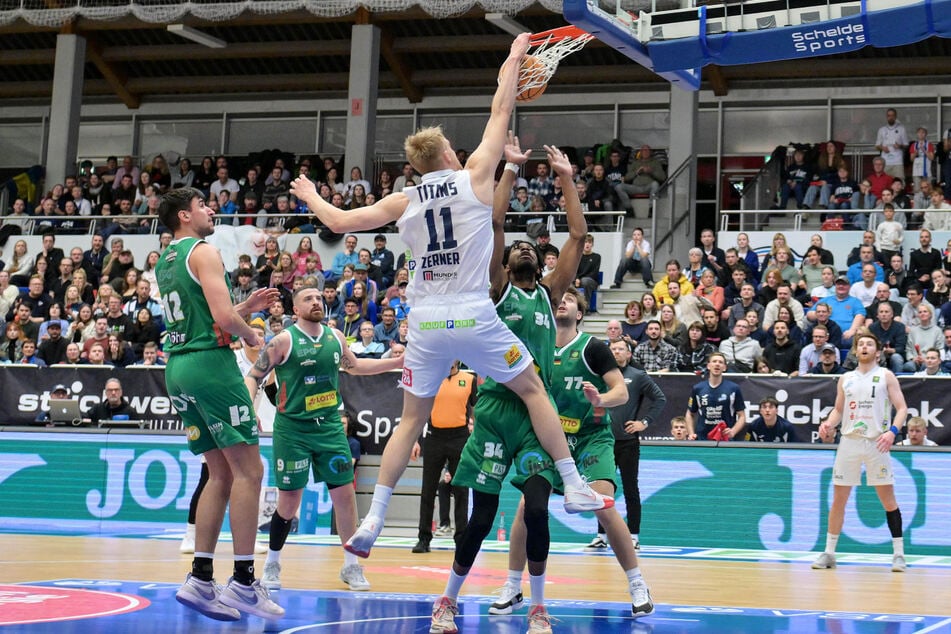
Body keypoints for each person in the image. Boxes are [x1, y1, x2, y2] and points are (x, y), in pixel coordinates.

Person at [291, 40, 610, 560]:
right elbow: (501, 107)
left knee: (410, 420)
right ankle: (573, 482)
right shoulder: (474, 175)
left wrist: (309, 196)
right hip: (471, 310)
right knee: (533, 390)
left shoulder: (405, 198)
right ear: (446, 155)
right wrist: (512, 57)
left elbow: (340, 222)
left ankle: (373, 519)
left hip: (425, 320)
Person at [156, 187, 284, 621]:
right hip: (211, 366)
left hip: (179, 368)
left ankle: (200, 576)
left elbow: (207, 312)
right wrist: (249, 332)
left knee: (221, 471)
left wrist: (241, 307)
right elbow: (224, 321)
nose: (211, 210)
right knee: (252, 469)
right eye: (204, 205)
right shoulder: (203, 249)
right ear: (185, 215)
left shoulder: (165, 258)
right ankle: (245, 582)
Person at [497, 289, 654, 625]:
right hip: (549, 439)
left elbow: (621, 391)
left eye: (570, 299)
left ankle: (637, 584)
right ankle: (512, 585)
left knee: (604, 506)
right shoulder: (533, 346)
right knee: (526, 508)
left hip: (590, 439)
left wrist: (601, 398)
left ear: (580, 313)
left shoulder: (592, 347)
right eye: (558, 298)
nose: (563, 302)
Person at [244, 287, 402, 593]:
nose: (316, 302)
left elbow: (354, 366)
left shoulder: (335, 337)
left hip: (329, 425)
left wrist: (395, 363)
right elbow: (255, 375)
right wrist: (251, 411)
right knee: (289, 502)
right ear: (295, 309)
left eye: (318, 297)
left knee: (344, 496)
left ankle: (351, 565)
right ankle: (272, 562)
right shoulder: (283, 341)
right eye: (308, 299)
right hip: (292, 428)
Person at [813, 332, 909, 573]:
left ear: (877, 351)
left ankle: (898, 554)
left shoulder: (886, 376)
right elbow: (838, 410)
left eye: (870, 344)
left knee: (888, 500)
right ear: (855, 351)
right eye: (861, 344)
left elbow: (902, 408)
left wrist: (892, 432)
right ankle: (829, 553)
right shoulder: (846, 378)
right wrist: (828, 423)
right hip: (850, 442)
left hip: (877, 441)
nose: (865, 347)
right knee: (838, 500)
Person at [587, 337, 666, 552]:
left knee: (631, 489)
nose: (617, 352)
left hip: (628, 443)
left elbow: (660, 398)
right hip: (603, 441)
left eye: (621, 349)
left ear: (629, 354)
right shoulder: (602, 376)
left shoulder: (637, 376)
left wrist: (644, 422)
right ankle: (601, 535)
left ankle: (633, 535)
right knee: (602, 489)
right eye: (613, 349)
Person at [411, 360, 476, 554]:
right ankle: (424, 539)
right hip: (434, 437)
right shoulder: (430, 378)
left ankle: (462, 539)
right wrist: (415, 439)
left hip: (460, 437)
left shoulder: (469, 379)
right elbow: (418, 412)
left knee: (461, 490)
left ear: (457, 358)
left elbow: (478, 409)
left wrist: (477, 436)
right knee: (428, 490)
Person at [685, 352, 746, 440]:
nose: (717, 364)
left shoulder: (733, 388)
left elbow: (742, 416)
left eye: (720, 362)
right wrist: (691, 433)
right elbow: (690, 413)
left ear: (724, 368)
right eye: (714, 361)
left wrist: (733, 431)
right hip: (703, 439)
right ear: (708, 366)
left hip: (725, 439)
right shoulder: (698, 388)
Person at [875, 108, 909, 180]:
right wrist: (883, 148)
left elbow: (906, 145)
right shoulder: (882, 130)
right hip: (885, 162)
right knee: (884, 182)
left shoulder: (901, 129)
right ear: (886, 117)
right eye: (889, 115)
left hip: (898, 162)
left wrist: (899, 146)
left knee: (899, 182)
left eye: (892, 115)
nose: (891, 117)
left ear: (895, 116)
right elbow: (877, 145)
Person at [575, 234, 602, 310]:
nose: (587, 244)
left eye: (589, 242)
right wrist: (576, 279)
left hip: (591, 281)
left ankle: (585, 307)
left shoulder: (597, 257)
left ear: (592, 244)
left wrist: (580, 279)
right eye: (585, 242)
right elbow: (574, 270)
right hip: (578, 280)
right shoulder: (577, 256)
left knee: (585, 281)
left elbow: (594, 273)